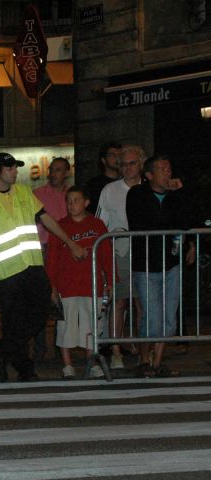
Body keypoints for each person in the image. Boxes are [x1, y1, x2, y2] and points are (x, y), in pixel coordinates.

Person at [0, 152, 86, 382]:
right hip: (7, 272)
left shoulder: (25, 193)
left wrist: (70, 243)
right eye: (9, 168)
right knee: (14, 322)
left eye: (16, 168)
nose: (15, 172)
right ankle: (25, 370)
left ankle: (0, 350)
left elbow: (46, 220)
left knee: (41, 314)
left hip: (32, 266)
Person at [126, 154, 196, 378]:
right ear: (149, 175)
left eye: (169, 168)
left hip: (172, 262)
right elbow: (144, 222)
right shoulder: (137, 194)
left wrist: (181, 192)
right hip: (146, 263)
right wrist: (170, 222)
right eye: (162, 168)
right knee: (151, 316)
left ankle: (157, 362)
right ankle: (144, 359)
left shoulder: (176, 196)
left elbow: (186, 222)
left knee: (169, 317)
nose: (167, 172)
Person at [46, 187, 114, 379]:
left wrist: (110, 279)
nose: (71, 204)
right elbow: (52, 258)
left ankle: (92, 363)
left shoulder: (97, 225)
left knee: (91, 326)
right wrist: (51, 284)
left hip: (91, 285)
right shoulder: (60, 226)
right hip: (66, 286)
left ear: (86, 202)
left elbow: (106, 254)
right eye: (68, 200)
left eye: (76, 200)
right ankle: (67, 366)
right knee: (65, 326)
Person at [95, 144, 146, 369]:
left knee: (143, 303)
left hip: (145, 252)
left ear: (142, 164)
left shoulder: (148, 188)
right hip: (119, 251)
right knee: (119, 301)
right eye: (123, 164)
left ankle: (145, 348)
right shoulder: (110, 190)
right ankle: (116, 350)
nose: (127, 168)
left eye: (132, 163)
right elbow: (100, 224)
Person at [31, 156, 72, 362]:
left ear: (66, 173)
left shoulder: (70, 196)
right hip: (43, 248)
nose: (54, 173)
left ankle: (60, 344)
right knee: (41, 297)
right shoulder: (38, 194)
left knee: (61, 297)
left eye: (58, 170)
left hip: (63, 249)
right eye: (52, 169)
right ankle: (39, 347)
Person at [85, 142, 121, 215]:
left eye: (120, 155)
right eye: (112, 155)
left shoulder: (126, 182)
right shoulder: (93, 185)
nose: (117, 158)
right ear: (104, 160)